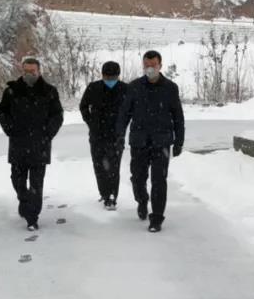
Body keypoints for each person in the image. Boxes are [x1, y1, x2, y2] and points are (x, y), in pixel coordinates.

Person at [116, 50, 185, 233]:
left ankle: (156, 218)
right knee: (137, 178)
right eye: (146, 65)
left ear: (160, 65)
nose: (150, 69)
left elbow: (178, 116)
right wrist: (119, 136)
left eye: (153, 65)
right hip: (139, 141)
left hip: (161, 142)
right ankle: (142, 200)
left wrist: (179, 140)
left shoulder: (170, 88)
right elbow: (124, 114)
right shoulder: (134, 87)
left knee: (159, 180)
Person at [0, 57, 64, 231]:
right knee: (17, 180)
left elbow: (57, 115)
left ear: (39, 71)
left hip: (40, 145)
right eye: (26, 71)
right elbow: (3, 111)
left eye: (32, 71)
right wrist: (10, 129)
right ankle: (24, 200)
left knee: (36, 183)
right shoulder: (12, 91)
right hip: (18, 143)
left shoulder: (49, 91)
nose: (29, 74)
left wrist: (47, 134)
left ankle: (32, 217)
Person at [79, 61, 127, 210]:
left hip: (116, 136)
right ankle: (104, 192)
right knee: (99, 166)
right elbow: (83, 106)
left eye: (113, 77)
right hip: (97, 135)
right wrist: (90, 122)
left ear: (118, 76)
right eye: (107, 77)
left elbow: (131, 109)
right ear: (102, 75)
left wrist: (123, 125)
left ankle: (111, 196)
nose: (110, 80)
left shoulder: (125, 89)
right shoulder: (93, 88)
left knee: (114, 167)